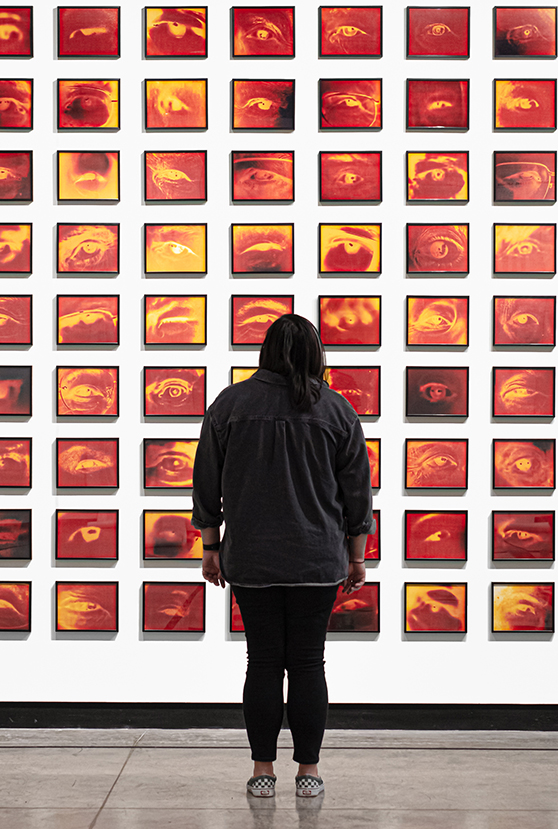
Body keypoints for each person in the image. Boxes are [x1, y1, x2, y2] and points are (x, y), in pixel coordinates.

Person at [191, 314, 374, 799]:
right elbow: (357, 495)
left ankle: (261, 770)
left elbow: (206, 485)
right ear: (316, 355)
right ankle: (309, 770)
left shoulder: (230, 405)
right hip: (317, 559)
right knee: (309, 663)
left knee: (264, 662)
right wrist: (356, 558)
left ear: (266, 352)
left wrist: (211, 548)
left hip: (251, 557)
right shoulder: (336, 411)